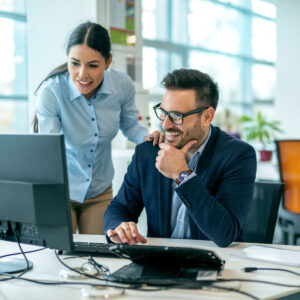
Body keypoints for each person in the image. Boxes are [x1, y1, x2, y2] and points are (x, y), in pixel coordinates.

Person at [34, 21, 163, 235]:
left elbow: (130, 125)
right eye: (74, 63)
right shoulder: (52, 92)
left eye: (93, 65)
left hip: (100, 191)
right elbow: (50, 150)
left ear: (108, 61)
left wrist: (150, 138)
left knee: (97, 256)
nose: (82, 74)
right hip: (60, 190)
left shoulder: (122, 85)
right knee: (59, 256)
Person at [104, 68, 257, 247]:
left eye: (177, 116)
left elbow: (225, 233)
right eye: (163, 112)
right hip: (160, 263)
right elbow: (119, 208)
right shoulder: (148, 152)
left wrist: (181, 174)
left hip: (216, 262)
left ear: (207, 117)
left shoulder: (238, 155)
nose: (165, 124)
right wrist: (119, 227)